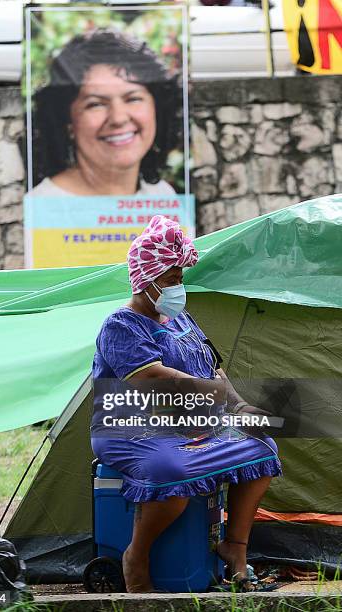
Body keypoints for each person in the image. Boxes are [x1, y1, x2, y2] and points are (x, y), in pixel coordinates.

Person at [91, 215, 282, 593]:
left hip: (192, 430)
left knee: (262, 450)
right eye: (172, 280)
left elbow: (215, 369)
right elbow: (152, 379)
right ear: (146, 281)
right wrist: (208, 391)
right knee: (175, 471)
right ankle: (136, 555)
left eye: (180, 279)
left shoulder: (181, 321)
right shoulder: (120, 325)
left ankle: (235, 551)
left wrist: (240, 408)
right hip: (132, 431)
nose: (179, 287)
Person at [29, 29, 181, 197]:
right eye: (96, 104)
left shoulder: (161, 194)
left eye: (133, 99)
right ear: (68, 123)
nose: (118, 118)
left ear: (156, 109)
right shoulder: (44, 207)